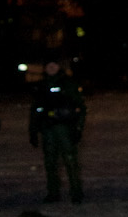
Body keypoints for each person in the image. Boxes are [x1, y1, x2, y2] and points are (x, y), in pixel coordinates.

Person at [29, 59, 86, 203]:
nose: (51, 68)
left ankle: (76, 192)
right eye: (49, 65)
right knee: (50, 162)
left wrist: (78, 127)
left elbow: (80, 106)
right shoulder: (41, 85)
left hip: (65, 128)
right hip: (48, 128)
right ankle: (53, 192)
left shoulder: (68, 83)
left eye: (54, 65)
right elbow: (35, 109)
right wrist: (33, 130)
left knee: (70, 160)